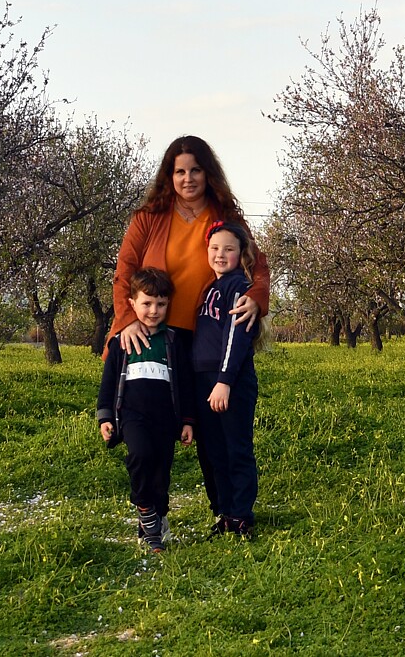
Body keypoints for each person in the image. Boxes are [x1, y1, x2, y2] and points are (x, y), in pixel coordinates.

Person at [109, 137, 269, 539]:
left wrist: (256, 299)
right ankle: (153, 512)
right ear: (169, 175)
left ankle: (228, 512)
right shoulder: (148, 217)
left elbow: (258, 264)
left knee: (209, 430)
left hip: (207, 342)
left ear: (207, 172)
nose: (187, 178)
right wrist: (128, 318)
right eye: (179, 171)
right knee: (156, 427)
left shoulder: (225, 215)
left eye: (195, 170)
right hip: (155, 335)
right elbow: (125, 270)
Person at [95, 267, 194, 551]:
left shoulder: (174, 342)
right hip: (132, 416)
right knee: (140, 455)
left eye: (161, 304)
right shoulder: (121, 342)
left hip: (166, 418)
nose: (153, 310)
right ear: (132, 304)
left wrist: (188, 421)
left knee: (162, 473)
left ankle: (157, 516)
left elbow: (185, 384)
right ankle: (145, 511)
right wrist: (105, 416)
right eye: (147, 303)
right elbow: (109, 382)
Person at [192, 220, 259, 537]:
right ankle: (223, 511)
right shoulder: (208, 288)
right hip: (203, 380)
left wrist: (224, 381)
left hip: (230, 381)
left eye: (228, 249)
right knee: (211, 450)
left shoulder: (239, 287)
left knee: (236, 448)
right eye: (215, 248)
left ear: (240, 253)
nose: (220, 254)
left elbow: (237, 338)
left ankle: (241, 515)